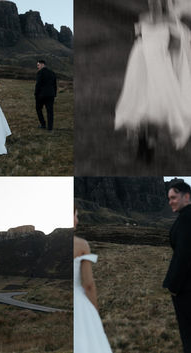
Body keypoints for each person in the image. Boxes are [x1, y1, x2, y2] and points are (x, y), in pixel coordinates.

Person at [114, 0, 191, 161]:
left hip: (159, 65)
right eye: (151, 2)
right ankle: (142, 141)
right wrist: (142, 42)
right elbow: (137, 38)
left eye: (156, 2)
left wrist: (160, 48)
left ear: (164, 4)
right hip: (140, 64)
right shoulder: (143, 18)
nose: (153, 5)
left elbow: (177, 47)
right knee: (139, 100)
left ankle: (150, 145)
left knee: (155, 106)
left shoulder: (170, 21)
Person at [74, 207, 113, 353]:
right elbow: (89, 285)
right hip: (79, 302)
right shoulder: (81, 245)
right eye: (76, 216)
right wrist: (94, 312)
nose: (77, 220)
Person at [163, 181, 191, 353]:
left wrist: (173, 286)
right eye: (168, 198)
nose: (170, 202)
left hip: (187, 288)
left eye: (173, 197)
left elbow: (183, 256)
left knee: (188, 333)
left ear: (186, 196)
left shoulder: (186, 220)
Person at [34, 60, 57, 131]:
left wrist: (36, 94)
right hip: (51, 95)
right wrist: (54, 94)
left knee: (38, 109)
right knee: (50, 111)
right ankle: (50, 128)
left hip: (41, 95)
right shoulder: (52, 72)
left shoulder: (40, 73)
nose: (37, 67)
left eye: (38, 65)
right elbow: (54, 85)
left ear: (42, 64)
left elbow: (38, 84)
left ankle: (43, 124)